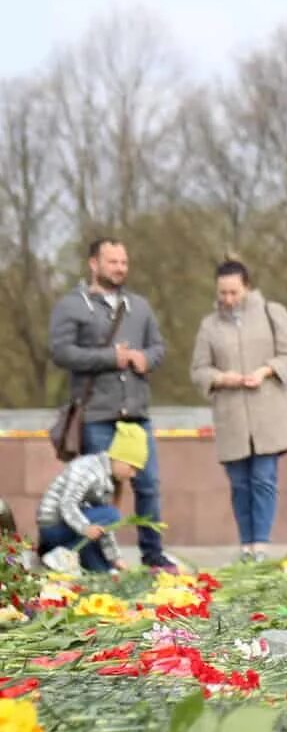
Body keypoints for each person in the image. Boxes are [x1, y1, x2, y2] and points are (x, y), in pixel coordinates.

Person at [48, 238, 175, 570]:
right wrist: (110, 357)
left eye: (124, 262)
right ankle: (97, 561)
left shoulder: (140, 306)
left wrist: (146, 358)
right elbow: (61, 352)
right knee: (95, 492)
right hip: (97, 414)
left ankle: (153, 555)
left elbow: (159, 347)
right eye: (113, 262)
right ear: (94, 264)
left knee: (148, 486)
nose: (120, 268)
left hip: (136, 413)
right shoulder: (71, 306)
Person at [190, 260, 287, 564]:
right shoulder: (209, 325)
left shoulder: (273, 313)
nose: (228, 299)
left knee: (264, 478)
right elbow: (199, 369)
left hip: (268, 411)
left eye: (233, 292)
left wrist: (267, 370)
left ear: (247, 287)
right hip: (232, 415)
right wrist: (220, 378)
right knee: (240, 483)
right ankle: (246, 545)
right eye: (222, 293)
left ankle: (261, 544)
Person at [36, 422, 148, 573]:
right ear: (119, 458)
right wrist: (85, 528)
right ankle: (61, 556)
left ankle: (74, 558)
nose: (133, 474)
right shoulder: (88, 468)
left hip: (72, 528)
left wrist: (116, 559)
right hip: (53, 528)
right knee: (111, 514)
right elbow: (67, 503)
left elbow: (104, 529)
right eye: (132, 467)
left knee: (104, 572)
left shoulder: (106, 479)